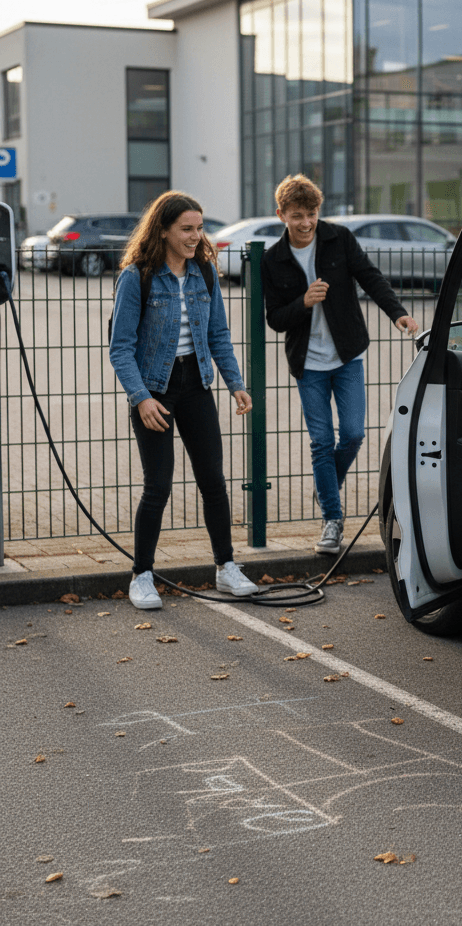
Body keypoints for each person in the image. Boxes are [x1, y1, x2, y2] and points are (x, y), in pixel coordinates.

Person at [109, 191, 258, 610]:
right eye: (186, 229)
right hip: (154, 390)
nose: (195, 236)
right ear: (163, 230)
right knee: (158, 485)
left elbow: (218, 335)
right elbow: (120, 348)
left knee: (213, 481)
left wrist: (235, 383)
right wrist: (141, 399)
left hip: (196, 386)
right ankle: (141, 575)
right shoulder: (137, 277)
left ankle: (226, 567)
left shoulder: (204, 273)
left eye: (199, 228)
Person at [261, 175, 419, 555]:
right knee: (321, 441)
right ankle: (332, 520)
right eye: (297, 216)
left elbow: (370, 277)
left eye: (312, 214)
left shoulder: (339, 239)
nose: (306, 223)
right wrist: (303, 302)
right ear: (281, 214)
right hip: (309, 364)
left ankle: (326, 484)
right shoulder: (272, 259)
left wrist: (397, 313)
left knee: (352, 434)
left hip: (348, 356)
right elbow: (275, 319)